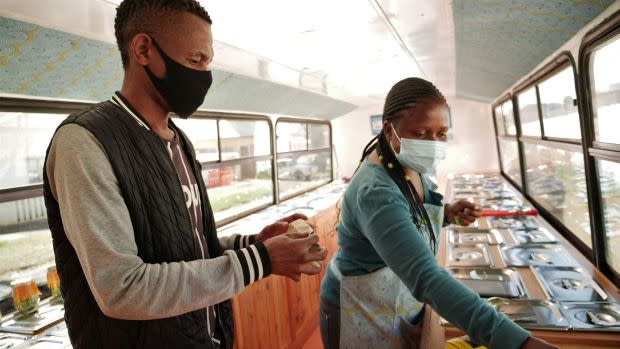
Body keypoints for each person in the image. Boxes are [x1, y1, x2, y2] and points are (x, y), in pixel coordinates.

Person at [42, 1, 327, 348]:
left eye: (208, 63)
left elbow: (180, 244)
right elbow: (122, 288)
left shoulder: (179, 141)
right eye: (195, 61)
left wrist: (252, 243)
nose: (204, 75)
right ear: (144, 49)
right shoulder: (84, 143)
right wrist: (262, 260)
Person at [319, 77, 558, 349]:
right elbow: (426, 276)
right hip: (358, 307)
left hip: (393, 295)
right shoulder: (375, 191)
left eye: (441, 133)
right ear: (389, 130)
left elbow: (406, 215)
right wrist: (518, 343)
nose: (433, 142)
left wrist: (445, 214)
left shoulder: (405, 161)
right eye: (421, 133)